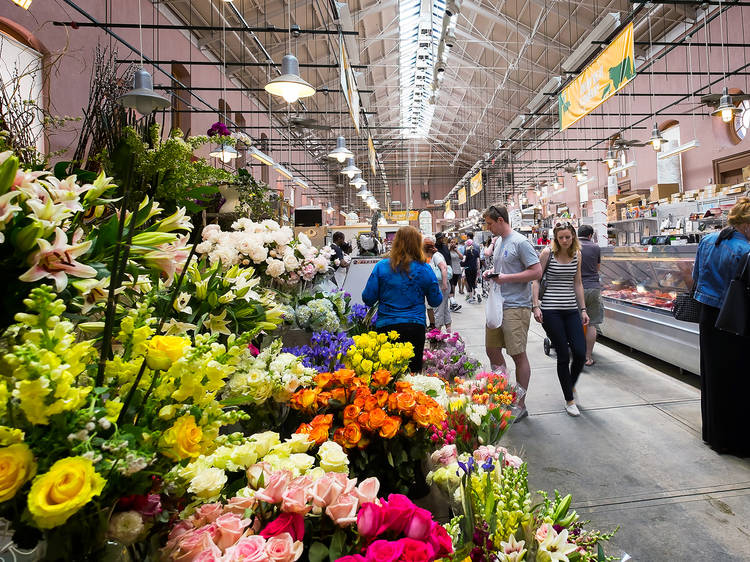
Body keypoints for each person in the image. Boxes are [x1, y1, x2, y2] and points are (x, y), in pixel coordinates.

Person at [692, 197, 750, 456]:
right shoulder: (745, 250)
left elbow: (695, 278)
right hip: (737, 318)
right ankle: (736, 441)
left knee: (713, 375)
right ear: (747, 224)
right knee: (739, 379)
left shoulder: (706, 241)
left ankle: (713, 434)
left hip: (708, 315)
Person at [482, 205, 542, 417]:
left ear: (500, 220)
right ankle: (502, 396)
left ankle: (520, 404)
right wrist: (492, 273)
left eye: (490, 223)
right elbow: (504, 270)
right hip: (498, 304)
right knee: (492, 349)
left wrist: (505, 278)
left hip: (516, 306)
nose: (488, 228)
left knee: (518, 354)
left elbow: (536, 271)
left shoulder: (520, 242)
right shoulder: (498, 243)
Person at [362, 226, 443, 373]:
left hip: (387, 327)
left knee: (388, 376)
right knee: (412, 375)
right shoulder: (425, 269)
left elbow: (367, 298)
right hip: (414, 327)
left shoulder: (381, 267)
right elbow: (435, 301)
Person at [532, 223, 590, 417]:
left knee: (580, 353)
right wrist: (535, 305)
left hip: (572, 309)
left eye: (567, 237)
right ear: (555, 239)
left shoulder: (577, 255)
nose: (564, 241)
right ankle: (569, 399)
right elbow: (536, 280)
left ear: (573, 236)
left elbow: (578, 282)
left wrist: (583, 309)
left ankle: (569, 385)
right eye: (560, 238)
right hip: (550, 311)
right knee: (563, 354)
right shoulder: (547, 254)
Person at [577, 224, 602, 366]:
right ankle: (587, 357)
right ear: (590, 235)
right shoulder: (596, 247)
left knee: (574, 321)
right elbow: (598, 268)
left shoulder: (572, 246)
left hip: (575, 289)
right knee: (592, 324)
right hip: (593, 287)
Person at [424, 236, 452, 332]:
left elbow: (443, 268)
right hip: (441, 284)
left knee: (438, 310)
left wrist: (444, 283)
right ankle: (449, 331)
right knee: (444, 309)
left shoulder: (436, 256)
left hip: (441, 285)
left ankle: (437, 333)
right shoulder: (435, 256)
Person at [462, 239, 481, 303]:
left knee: (469, 283)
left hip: (468, 269)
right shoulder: (476, 251)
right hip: (474, 269)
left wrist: (462, 262)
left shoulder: (466, 251)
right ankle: (478, 293)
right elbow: (478, 261)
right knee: (474, 282)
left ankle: (471, 298)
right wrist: (478, 270)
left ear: (467, 244)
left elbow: (464, 260)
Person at [448, 239, 463, 311]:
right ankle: (452, 304)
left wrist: (456, 250)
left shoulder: (457, 250)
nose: (453, 243)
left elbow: (462, 257)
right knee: (452, 287)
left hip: (457, 270)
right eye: (451, 242)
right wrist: (449, 248)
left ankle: (452, 303)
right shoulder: (448, 251)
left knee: (454, 286)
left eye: (454, 242)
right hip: (451, 271)